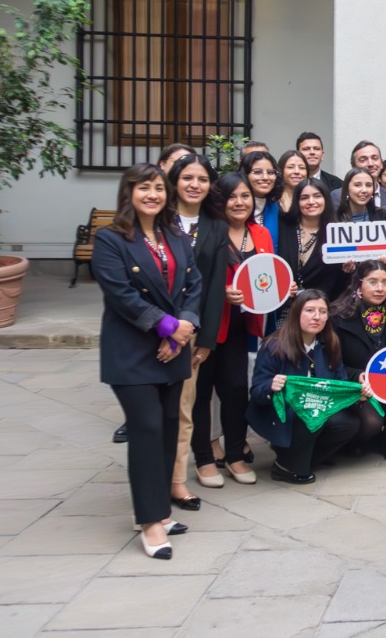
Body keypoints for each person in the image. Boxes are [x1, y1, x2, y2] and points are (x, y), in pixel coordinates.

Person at [95, 164, 201, 559]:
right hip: (133, 351)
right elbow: (120, 293)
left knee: (169, 428)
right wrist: (167, 327)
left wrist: (184, 326)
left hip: (173, 348)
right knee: (146, 429)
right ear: (129, 192)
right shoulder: (110, 238)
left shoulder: (175, 235)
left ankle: (159, 509)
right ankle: (150, 521)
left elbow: (193, 284)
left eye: (158, 187)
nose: (152, 194)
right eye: (144, 188)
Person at [191, 173, 269, 489]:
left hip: (241, 326)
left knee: (236, 390)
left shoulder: (261, 233)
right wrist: (221, 292)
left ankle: (235, 455)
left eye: (245, 196)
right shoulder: (208, 231)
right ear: (220, 201)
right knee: (200, 393)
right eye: (232, 197)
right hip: (207, 326)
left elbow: (266, 276)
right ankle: (204, 459)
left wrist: (281, 287)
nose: (240, 203)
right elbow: (193, 278)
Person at [247, 291, 371, 483]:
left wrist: (357, 395)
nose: (317, 317)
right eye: (310, 310)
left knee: (349, 424)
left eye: (323, 311)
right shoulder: (273, 345)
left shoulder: (330, 343)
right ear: (296, 313)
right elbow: (256, 392)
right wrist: (271, 386)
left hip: (316, 410)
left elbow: (339, 384)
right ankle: (286, 466)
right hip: (281, 414)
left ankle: (298, 459)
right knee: (308, 414)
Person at [166, 155, 225, 512]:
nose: (194, 185)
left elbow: (215, 285)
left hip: (191, 333)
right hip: (153, 328)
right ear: (174, 181)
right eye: (187, 177)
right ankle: (152, 479)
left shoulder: (215, 226)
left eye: (202, 179)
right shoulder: (159, 219)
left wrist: (206, 339)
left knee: (184, 410)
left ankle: (177, 481)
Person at [332, 262, 386, 462]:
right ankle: (361, 439)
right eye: (372, 282)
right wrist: (356, 376)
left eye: (385, 282)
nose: (380, 288)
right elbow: (332, 362)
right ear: (359, 284)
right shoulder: (338, 314)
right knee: (371, 423)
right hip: (357, 386)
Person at [278, 178, 347, 305]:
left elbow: (340, 281)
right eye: (304, 198)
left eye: (317, 196)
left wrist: (347, 269)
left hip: (320, 307)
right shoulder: (283, 226)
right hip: (283, 306)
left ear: (326, 199)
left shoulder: (337, 234)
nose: (311, 202)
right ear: (297, 201)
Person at [330, 141, 386, 212]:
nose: (370, 164)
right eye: (363, 160)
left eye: (375, 158)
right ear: (353, 166)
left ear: (381, 163)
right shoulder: (338, 196)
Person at [239, 150, 282, 244]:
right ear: (245, 174)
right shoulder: (235, 206)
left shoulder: (275, 208)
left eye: (270, 172)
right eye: (257, 172)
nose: (265, 177)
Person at [276, 150, 310, 215]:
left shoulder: (313, 200)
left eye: (302, 168)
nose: (297, 171)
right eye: (290, 167)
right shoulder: (273, 200)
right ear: (281, 171)